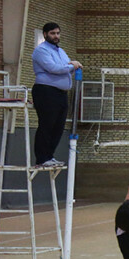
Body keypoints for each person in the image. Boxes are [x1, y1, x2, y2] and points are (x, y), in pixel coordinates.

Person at [31, 22, 82, 167]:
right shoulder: (41, 50)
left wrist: (72, 66)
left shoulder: (61, 51)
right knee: (47, 125)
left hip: (61, 93)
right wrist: (72, 65)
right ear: (45, 34)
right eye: (52, 33)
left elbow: (66, 68)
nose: (56, 36)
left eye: (58, 33)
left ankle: (49, 156)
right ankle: (42, 158)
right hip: (46, 91)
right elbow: (54, 68)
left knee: (58, 127)